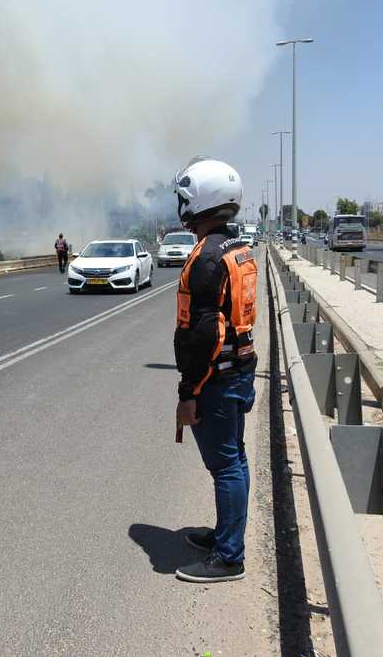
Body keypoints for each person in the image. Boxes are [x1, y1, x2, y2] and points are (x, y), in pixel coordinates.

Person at [172, 157, 258, 583]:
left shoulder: (207, 258)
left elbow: (203, 335)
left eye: (184, 199)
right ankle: (226, 537)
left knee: (225, 466)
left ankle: (228, 558)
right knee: (234, 461)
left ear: (200, 201)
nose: (181, 207)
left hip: (216, 379)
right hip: (237, 371)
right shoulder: (236, 248)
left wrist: (188, 393)